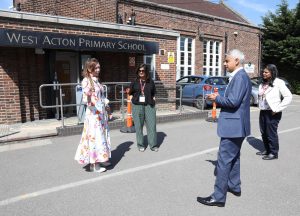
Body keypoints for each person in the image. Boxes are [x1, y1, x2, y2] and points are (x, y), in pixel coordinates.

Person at [197, 49, 252, 207]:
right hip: (237, 126)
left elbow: (233, 101)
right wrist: (220, 96)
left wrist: (217, 98)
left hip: (233, 127)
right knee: (234, 158)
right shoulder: (239, 76)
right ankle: (234, 186)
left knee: (223, 161)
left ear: (236, 61)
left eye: (227, 61)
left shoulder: (240, 77)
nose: (224, 63)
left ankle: (218, 197)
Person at [74, 58, 111, 172]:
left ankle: (101, 158)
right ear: (90, 69)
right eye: (96, 68)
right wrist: (95, 103)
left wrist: (105, 103)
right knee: (95, 137)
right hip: (93, 114)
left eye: (99, 67)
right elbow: (87, 98)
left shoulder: (96, 80)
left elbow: (100, 96)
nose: (99, 69)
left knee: (101, 137)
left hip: (100, 113)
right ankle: (94, 164)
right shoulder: (86, 81)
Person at [256, 64, 292, 160]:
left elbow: (288, 96)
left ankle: (273, 153)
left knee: (271, 133)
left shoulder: (278, 82)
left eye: (266, 72)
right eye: (263, 72)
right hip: (263, 111)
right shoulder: (263, 83)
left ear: (272, 72)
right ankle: (267, 150)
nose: (263, 73)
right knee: (263, 132)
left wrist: (277, 109)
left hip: (273, 112)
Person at [129, 63, 158, 152]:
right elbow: (130, 93)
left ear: (146, 72)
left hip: (149, 105)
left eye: (143, 71)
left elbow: (153, 93)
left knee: (151, 125)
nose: (141, 72)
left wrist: (154, 99)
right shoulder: (134, 82)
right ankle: (140, 144)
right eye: (139, 71)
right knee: (138, 126)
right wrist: (131, 100)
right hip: (137, 106)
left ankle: (153, 145)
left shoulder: (151, 82)